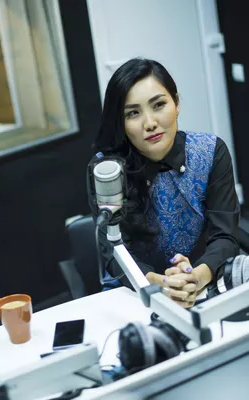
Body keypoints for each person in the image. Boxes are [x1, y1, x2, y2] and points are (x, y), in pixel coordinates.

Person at [94, 58, 240, 308]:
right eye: (133, 113)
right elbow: (113, 252)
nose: (150, 123)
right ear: (121, 122)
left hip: (200, 284)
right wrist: (158, 284)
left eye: (159, 105)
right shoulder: (107, 170)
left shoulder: (210, 152)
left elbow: (225, 234)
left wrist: (195, 278)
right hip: (135, 290)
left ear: (177, 103)